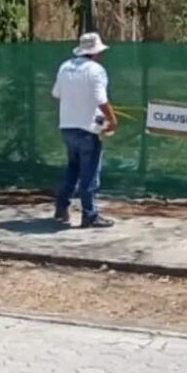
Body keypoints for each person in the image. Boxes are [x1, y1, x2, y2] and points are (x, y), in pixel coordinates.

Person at [51, 32, 118, 228]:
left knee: (73, 169)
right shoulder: (96, 70)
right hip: (88, 128)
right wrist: (112, 119)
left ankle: (61, 207)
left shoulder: (65, 67)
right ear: (96, 53)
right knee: (89, 173)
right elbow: (101, 99)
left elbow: (56, 93)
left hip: (67, 127)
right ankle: (89, 214)